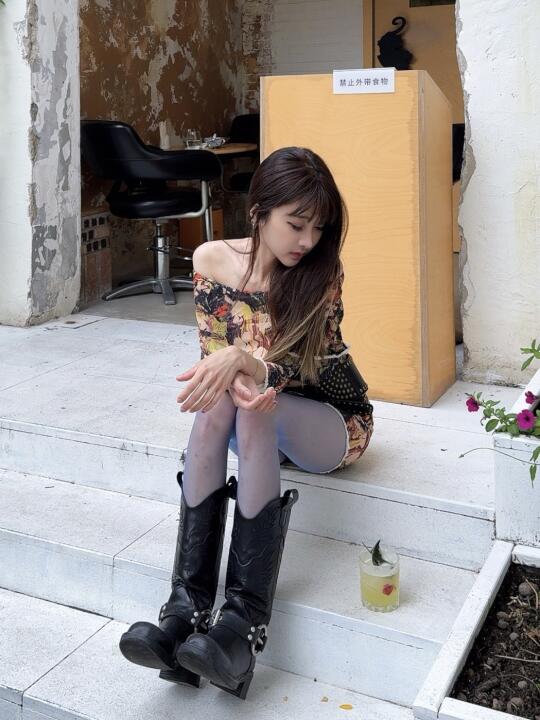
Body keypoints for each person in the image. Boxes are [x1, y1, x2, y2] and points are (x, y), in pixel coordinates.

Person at [118, 146, 374, 700]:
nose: (307, 240)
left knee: (258, 400)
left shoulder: (321, 274)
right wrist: (233, 367)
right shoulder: (210, 260)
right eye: (296, 224)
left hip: (330, 421)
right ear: (259, 211)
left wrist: (244, 362)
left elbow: (302, 367)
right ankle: (184, 613)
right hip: (257, 419)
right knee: (225, 401)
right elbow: (216, 369)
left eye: (318, 227)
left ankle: (241, 625)